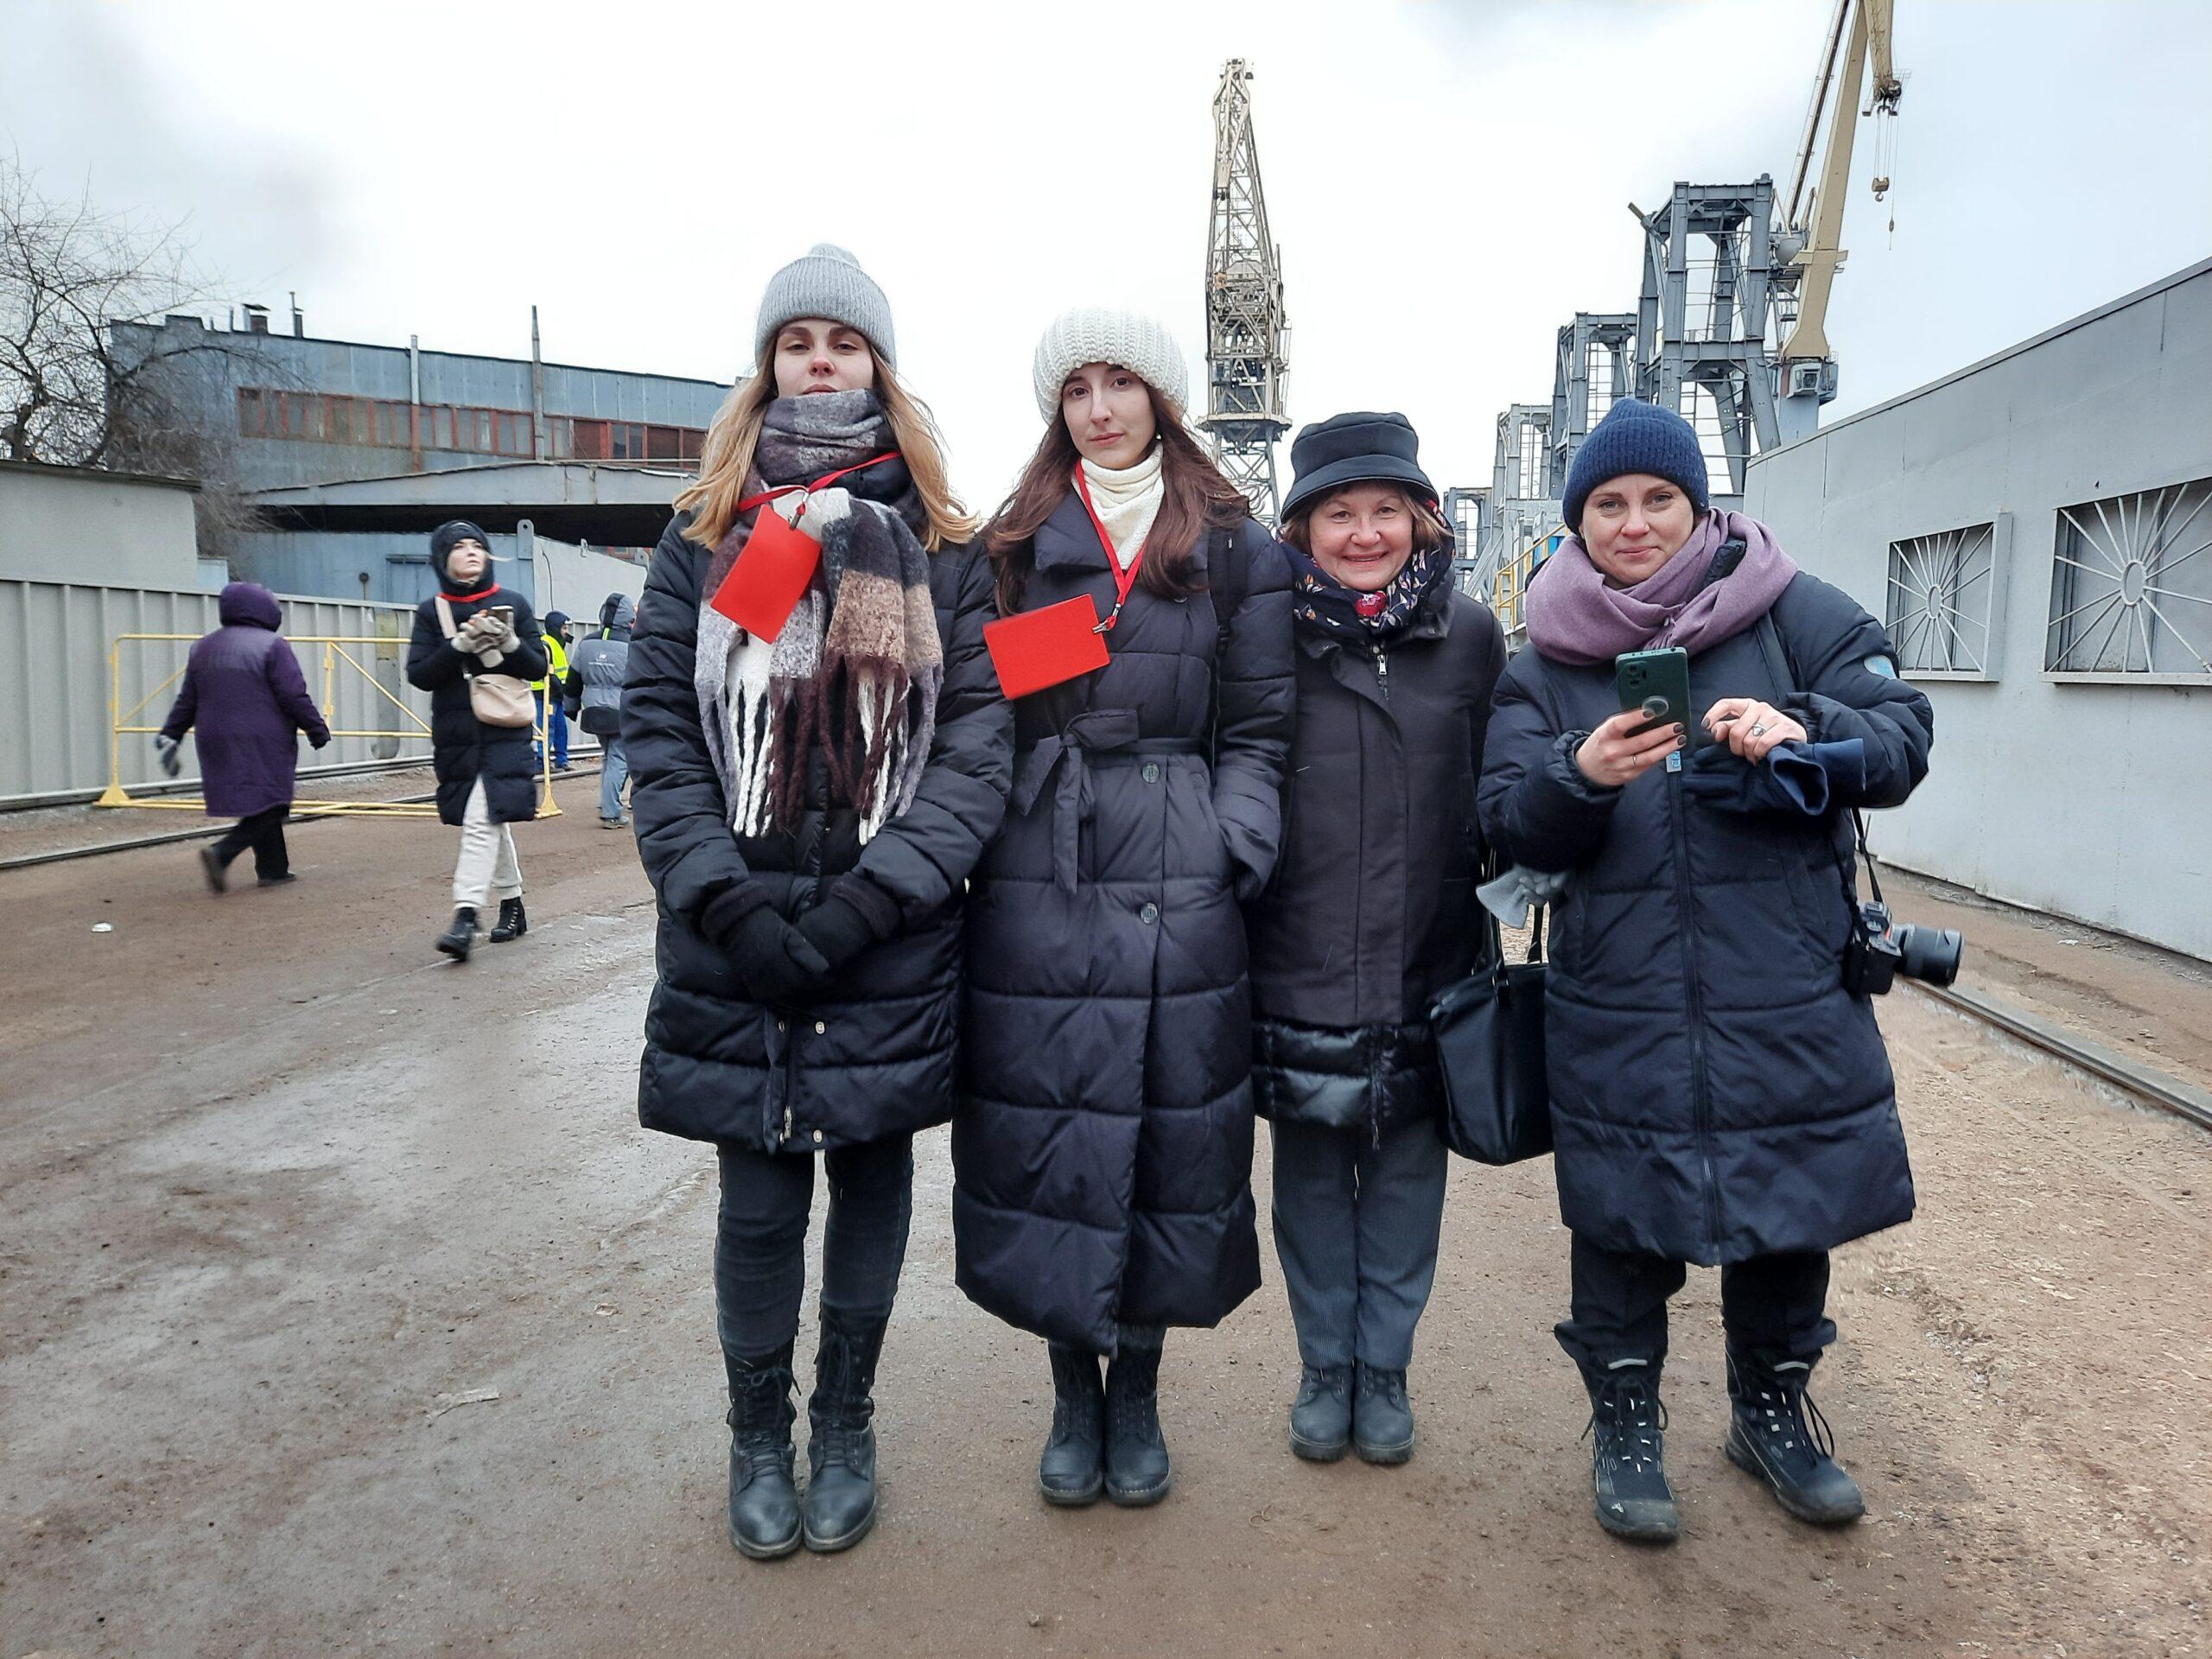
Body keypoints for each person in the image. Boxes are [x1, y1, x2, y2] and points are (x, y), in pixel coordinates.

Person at [1477, 397, 1934, 1543]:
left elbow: (1901, 739)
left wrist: (1802, 724)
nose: (1635, 524)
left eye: (1657, 501)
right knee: (1624, 1222)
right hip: (1619, 995)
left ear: (1698, 506)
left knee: (1790, 1211)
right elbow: (1502, 824)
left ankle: (1770, 1412)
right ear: (1579, 522)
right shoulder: (1546, 663)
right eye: (1609, 506)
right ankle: (1626, 1422)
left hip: (1784, 984)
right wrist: (1577, 775)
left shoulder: (1791, 612)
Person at [623, 244, 1011, 1560]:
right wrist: (720, 898)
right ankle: (755, 1435)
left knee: (872, 1174)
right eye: (799, 343)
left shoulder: (949, 553)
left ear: (882, 372)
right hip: (738, 922)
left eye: (844, 344)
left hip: (884, 931)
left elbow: (975, 749)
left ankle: (844, 1423)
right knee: (759, 1196)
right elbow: (665, 737)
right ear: (767, 368)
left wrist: (874, 901)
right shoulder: (708, 538)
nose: (822, 361)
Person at [952, 306, 1294, 1510]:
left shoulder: (1235, 542)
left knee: (1163, 1128)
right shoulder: (1012, 540)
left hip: (1180, 862)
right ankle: (1070, 1394)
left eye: (1122, 383)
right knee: (1051, 1128)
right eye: (1078, 388)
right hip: (1044, 860)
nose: (1100, 407)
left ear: (1161, 396)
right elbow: (986, 710)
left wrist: (1231, 843)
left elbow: (1259, 724)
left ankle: (1137, 1390)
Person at [1244, 413, 1505, 1466]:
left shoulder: (1473, 636)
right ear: (1301, 529)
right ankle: (1323, 1366)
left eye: (1384, 511)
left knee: (1405, 1178)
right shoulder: (1265, 635)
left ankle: (1383, 1368)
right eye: (1338, 514)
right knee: (1308, 1180)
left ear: (1420, 521)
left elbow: (1503, 785)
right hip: (1295, 952)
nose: (1363, 534)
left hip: (1428, 954)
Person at [404, 520, 549, 962]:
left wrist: (507, 641)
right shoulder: (433, 612)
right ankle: (512, 903)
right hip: (458, 735)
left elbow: (538, 667)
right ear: (441, 559)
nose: (470, 553)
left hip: (505, 727)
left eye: (477, 546)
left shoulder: (513, 602)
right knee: (488, 817)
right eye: (459, 547)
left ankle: (466, 915)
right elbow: (419, 674)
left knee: (481, 815)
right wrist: (459, 645)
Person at [156, 581, 332, 891]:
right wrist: (316, 728)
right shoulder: (272, 645)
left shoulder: (203, 647)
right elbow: (293, 695)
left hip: (214, 739)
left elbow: (188, 699)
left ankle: (274, 869)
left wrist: (171, 734)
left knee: (261, 801)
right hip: (262, 738)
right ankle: (222, 852)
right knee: (273, 802)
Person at [563, 592, 636, 828]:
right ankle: (611, 812)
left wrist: (570, 708)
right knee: (618, 758)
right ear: (628, 617)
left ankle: (607, 803)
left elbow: (573, 680)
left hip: (593, 710)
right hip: (621, 711)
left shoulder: (586, 644)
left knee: (608, 756)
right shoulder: (632, 645)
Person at [534, 611, 573, 772]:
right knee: (547, 729)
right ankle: (542, 763)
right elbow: (545, 671)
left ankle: (561, 760)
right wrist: (560, 688)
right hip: (545, 693)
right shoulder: (546, 643)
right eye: (564, 628)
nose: (567, 632)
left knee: (560, 728)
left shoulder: (557, 644)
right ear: (556, 628)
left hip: (556, 695)